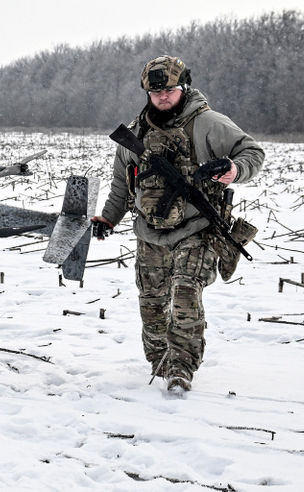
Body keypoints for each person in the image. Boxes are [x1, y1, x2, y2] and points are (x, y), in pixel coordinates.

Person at [91, 55, 264, 392]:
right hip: (150, 231)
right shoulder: (136, 132)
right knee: (152, 306)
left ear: (183, 87)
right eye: (156, 92)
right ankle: (160, 363)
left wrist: (234, 170)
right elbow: (122, 186)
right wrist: (108, 218)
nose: (163, 97)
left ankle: (181, 369)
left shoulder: (208, 123)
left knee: (185, 295)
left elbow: (252, 152)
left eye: (169, 90)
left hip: (196, 228)